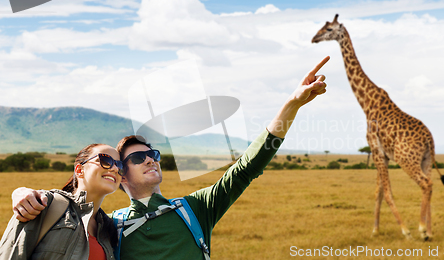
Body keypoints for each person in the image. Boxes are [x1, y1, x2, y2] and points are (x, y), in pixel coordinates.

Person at [10, 56, 330, 259]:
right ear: (121, 176)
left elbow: (247, 167)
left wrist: (291, 106)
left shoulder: (195, 209)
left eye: (153, 154)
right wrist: (23, 194)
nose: (151, 160)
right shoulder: (109, 228)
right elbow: (65, 215)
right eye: (138, 159)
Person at [1, 144, 125, 260]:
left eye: (119, 165)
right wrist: (19, 192)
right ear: (79, 170)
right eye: (105, 160)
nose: (114, 168)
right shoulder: (42, 204)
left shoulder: (109, 229)